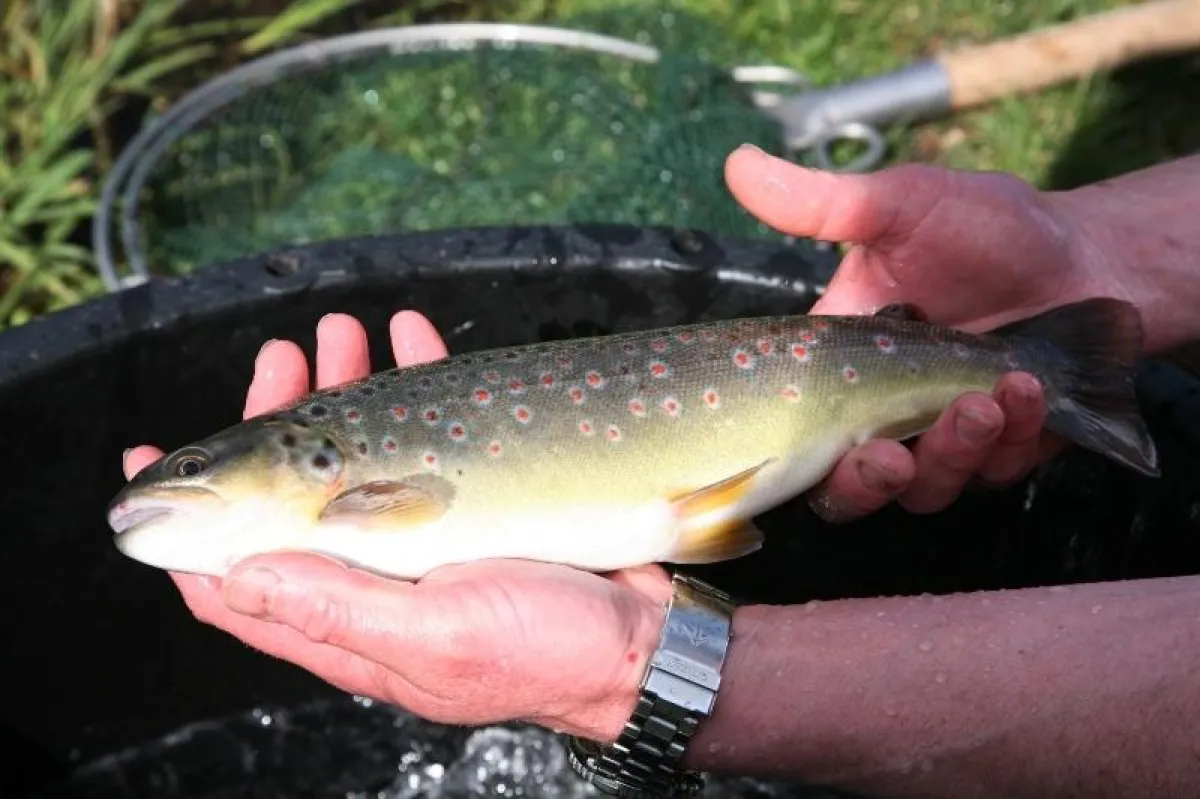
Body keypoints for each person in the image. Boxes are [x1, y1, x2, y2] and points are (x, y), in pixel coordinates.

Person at [122, 145, 1200, 798]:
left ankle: (1056, 368)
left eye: (193, 466)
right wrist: (1096, 247)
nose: (160, 487)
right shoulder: (336, 493)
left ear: (304, 453)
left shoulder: (347, 487)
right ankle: (1059, 360)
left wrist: (634, 671)